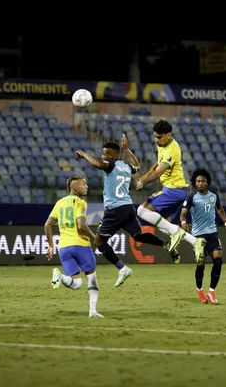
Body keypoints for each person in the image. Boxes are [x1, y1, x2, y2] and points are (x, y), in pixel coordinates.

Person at [75, 134, 176, 287]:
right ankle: (165, 244)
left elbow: (99, 165)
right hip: (128, 207)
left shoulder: (112, 165)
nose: (102, 156)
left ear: (111, 155)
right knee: (139, 236)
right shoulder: (125, 166)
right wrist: (127, 150)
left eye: (104, 154)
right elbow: (137, 167)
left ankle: (122, 269)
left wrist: (84, 155)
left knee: (99, 241)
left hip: (114, 209)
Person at [135, 119, 206, 263]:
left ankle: (176, 233)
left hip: (173, 190)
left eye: (159, 137)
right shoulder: (162, 145)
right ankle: (196, 243)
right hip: (176, 190)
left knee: (141, 211)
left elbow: (158, 173)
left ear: (169, 135)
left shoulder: (172, 150)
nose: (156, 140)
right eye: (155, 136)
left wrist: (144, 181)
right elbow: (156, 166)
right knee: (164, 225)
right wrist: (142, 177)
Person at [44, 176, 103, 319]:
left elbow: (47, 225)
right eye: (83, 184)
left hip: (64, 248)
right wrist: (95, 238)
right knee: (92, 278)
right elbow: (81, 225)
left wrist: (51, 246)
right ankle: (93, 311)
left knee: (76, 284)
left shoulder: (59, 203)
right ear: (74, 188)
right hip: (80, 245)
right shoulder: (80, 202)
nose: (87, 186)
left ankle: (60, 277)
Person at [180, 169, 226, 305]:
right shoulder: (191, 197)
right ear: (195, 183)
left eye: (203, 181)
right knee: (201, 266)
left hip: (212, 233)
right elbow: (183, 213)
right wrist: (184, 222)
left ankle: (211, 291)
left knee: (218, 261)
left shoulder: (213, 196)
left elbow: (220, 209)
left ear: (207, 182)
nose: (201, 183)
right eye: (198, 181)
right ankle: (200, 290)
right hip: (198, 236)